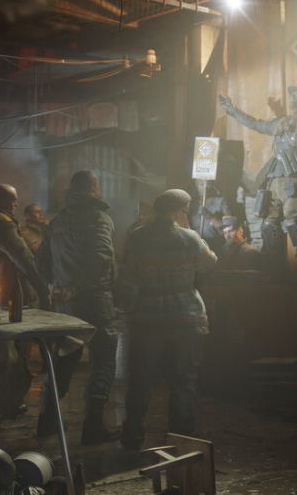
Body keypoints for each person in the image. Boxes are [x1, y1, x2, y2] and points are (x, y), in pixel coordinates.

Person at [117, 189, 217, 450]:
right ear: (179, 212)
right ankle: (181, 442)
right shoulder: (188, 237)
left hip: (148, 321)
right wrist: (190, 231)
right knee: (184, 383)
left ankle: (133, 438)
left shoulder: (138, 237)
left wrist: (129, 313)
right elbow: (208, 263)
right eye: (186, 212)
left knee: (141, 380)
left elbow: (130, 281)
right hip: (188, 321)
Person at [218, 68, 297, 282]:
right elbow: (255, 123)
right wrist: (233, 109)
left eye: (296, 95)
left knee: (295, 226)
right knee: (269, 226)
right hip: (273, 182)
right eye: (291, 95)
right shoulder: (280, 123)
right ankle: (277, 273)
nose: (291, 98)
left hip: (294, 182)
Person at [36, 170, 119, 445]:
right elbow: (103, 258)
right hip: (96, 302)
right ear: (94, 190)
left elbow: (41, 260)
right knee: (103, 359)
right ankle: (93, 426)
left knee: (63, 358)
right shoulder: (99, 218)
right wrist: (77, 287)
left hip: (66, 305)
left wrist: (51, 285)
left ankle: (46, 422)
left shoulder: (57, 222)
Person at [0, 184, 49, 313]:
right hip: (10, 295)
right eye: (14, 200)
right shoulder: (1, 222)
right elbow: (23, 257)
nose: (16, 204)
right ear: (2, 202)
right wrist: (44, 288)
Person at [189, 180, 233, 253]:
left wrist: (211, 217)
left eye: (208, 184)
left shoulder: (221, 202)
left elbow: (230, 229)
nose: (206, 186)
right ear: (196, 187)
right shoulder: (192, 205)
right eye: (202, 184)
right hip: (196, 247)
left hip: (216, 246)